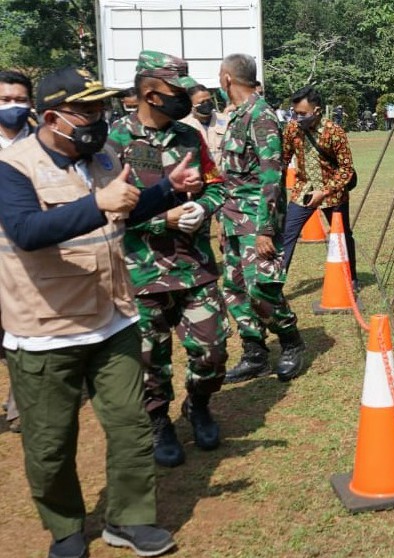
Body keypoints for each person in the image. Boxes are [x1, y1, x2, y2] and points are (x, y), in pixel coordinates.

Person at [0, 66, 203, 558]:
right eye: (85, 110)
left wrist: (168, 189)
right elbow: (26, 231)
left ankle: (130, 520)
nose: (99, 118)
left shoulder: (105, 156)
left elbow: (124, 209)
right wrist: (98, 202)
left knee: (131, 427)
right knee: (50, 444)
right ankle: (66, 528)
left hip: (113, 319)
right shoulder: (13, 167)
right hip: (47, 330)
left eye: (101, 108)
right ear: (52, 116)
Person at [107, 51, 229, 468]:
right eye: (176, 92)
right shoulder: (114, 141)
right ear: (149, 93)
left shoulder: (189, 136)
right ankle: (158, 420)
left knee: (212, 351)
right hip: (141, 271)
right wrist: (164, 220)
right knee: (148, 361)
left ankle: (198, 404)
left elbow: (217, 185)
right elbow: (107, 215)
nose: (187, 98)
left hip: (194, 266)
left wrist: (203, 207)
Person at [217, 53, 305, 384]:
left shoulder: (260, 115)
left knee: (262, 289)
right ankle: (254, 353)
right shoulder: (237, 116)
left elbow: (272, 175)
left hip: (256, 221)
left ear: (226, 78)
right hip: (233, 221)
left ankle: (291, 341)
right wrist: (224, 225)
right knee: (235, 288)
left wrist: (266, 229)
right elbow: (230, 178)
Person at [281, 85, 357, 283]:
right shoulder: (292, 129)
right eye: (294, 113)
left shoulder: (334, 132)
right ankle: (275, 284)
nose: (298, 118)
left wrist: (324, 192)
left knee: (342, 237)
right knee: (286, 235)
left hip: (333, 194)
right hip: (303, 190)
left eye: (302, 114)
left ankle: (351, 280)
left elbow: (346, 170)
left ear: (316, 110)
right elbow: (283, 159)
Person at [0, 69, 35, 434]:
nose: (12, 107)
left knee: (23, 328)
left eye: (19, 100)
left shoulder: (43, 144)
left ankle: (20, 403)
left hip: (27, 254)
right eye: (4, 100)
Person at [181, 83, 228, 167]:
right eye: (202, 102)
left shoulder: (226, 120)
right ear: (191, 105)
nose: (207, 104)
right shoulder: (183, 125)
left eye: (209, 100)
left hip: (223, 176)